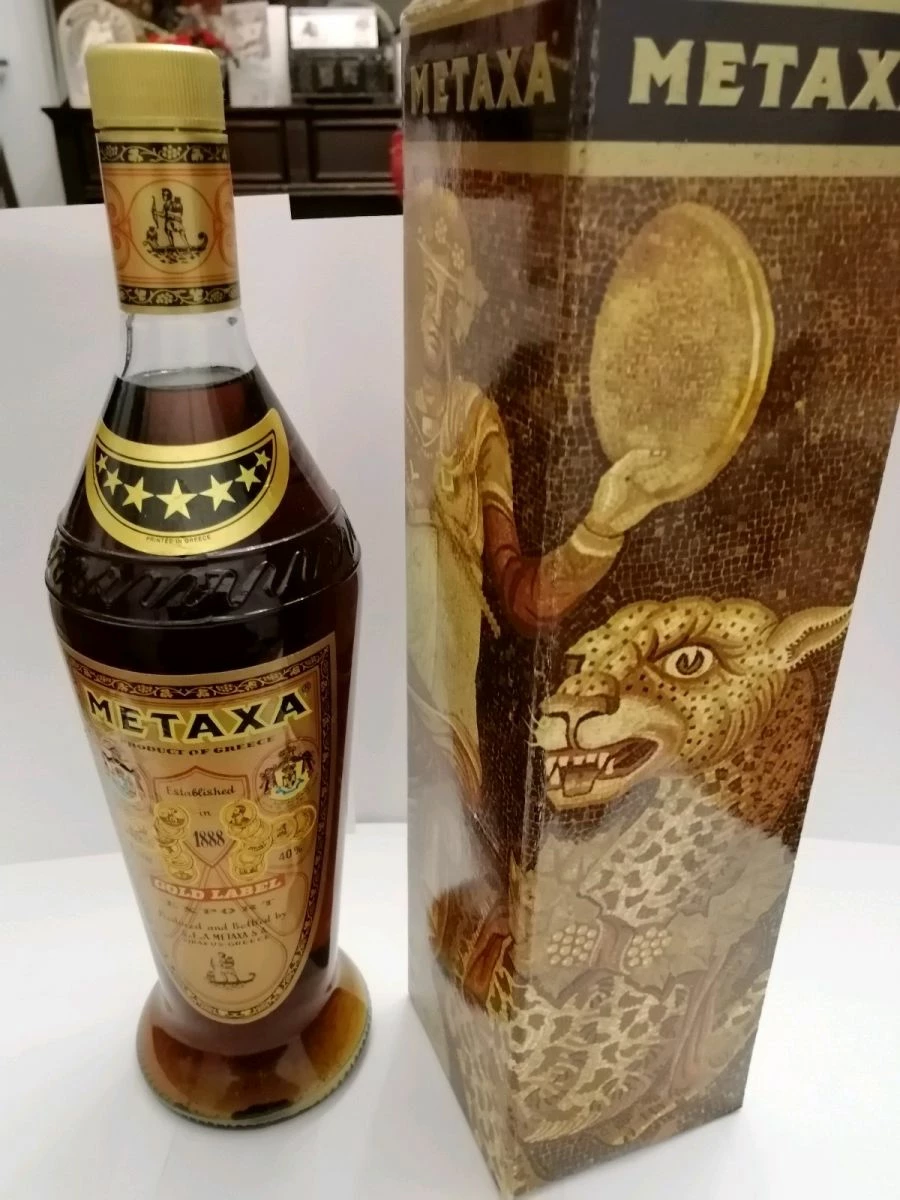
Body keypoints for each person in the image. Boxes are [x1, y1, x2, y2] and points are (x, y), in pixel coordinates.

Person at [405, 184, 680, 822]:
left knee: (452, 822)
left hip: (451, 706)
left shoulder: (475, 421)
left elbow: (524, 597)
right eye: (423, 287)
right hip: (388, 679)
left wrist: (600, 527)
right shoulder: (382, 397)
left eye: (448, 293)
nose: (433, 313)